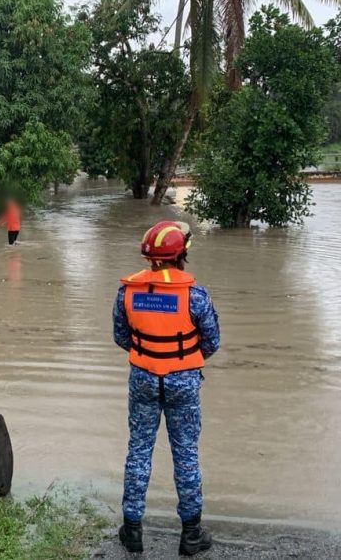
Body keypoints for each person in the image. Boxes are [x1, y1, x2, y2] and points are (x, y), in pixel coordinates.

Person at [114, 220, 220, 555]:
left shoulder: (127, 292)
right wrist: (181, 358)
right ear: (182, 254)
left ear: (149, 257)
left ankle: (132, 530)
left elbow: (121, 336)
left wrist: (150, 353)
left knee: (139, 450)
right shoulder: (196, 296)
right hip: (183, 382)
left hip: (143, 379)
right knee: (186, 454)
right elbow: (212, 343)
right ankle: (191, 535)